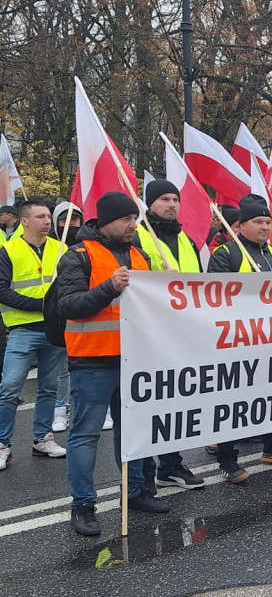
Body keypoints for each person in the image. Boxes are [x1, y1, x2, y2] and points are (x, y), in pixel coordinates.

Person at [58, 191, 168, 537]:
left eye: (135, 218)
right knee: (85, 435)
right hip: (92, 359)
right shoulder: (78, 256)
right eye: (126, 219)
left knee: (134, 432)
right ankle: (83, 506)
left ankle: (135, 492)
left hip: (134, 360)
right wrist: (109, 287)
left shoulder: (139, 254)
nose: (133, 224)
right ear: (105, 222)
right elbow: (70, 305)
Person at [207, 194, 272, 481]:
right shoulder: (225, 254)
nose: (264, 227)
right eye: (258, 222)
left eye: (267, 222)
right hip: (237, 342)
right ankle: (227, 460)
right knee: (232, 401)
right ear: (241, 226)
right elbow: (215, 297)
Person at [131, 180, 208, 489]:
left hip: (181, 330)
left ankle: (171, 465)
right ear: (150, 204)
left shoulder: (186, 239)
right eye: (164, 198)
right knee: (150, 402)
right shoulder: (136, 236)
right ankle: (146, 470)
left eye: (175, 198)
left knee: (176, 402)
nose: (171, 204)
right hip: (147, 330)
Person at [0, 201, 67, 472]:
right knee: (9, 388)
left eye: (49, 216)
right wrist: (41, 305)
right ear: (24, 221)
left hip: (54, 330)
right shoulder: (8, 250)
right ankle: (3, 444)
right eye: (40, 216)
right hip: (22, 330)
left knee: (49, 388)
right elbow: (2, 290)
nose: (47, 221)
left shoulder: (60, 248)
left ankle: (43, 438)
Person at [50, 202, 83, 433]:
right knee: (62, 369)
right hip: (57, 316)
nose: (71, 225)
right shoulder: (52, 246)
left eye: (75, 220)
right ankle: (60, 410)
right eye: (65, 220)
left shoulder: (86, 247)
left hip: (84, 316)